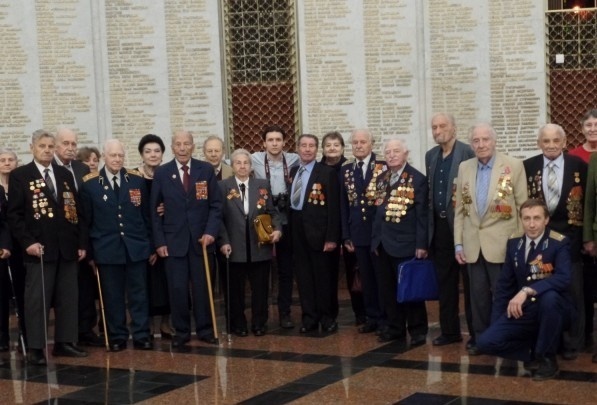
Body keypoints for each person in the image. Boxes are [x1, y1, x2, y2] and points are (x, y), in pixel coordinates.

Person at [7, 129, 88, 365]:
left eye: (50, 146)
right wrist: (28, 242)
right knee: (37, 300)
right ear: (32, 147)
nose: (47, 150)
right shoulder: (21, 175)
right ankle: (35, 347)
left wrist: (81, 243)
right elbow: (15, 215)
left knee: (68, 297)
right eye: (42, 146)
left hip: (67, 247)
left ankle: (65, 342)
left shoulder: (63, 174)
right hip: (39, 249)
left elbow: (76, 210)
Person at [476, 199, 573, 381]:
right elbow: (504, 286)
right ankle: (532, 352)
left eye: (537, 218)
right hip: (524, 311)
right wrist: (497, 323)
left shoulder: (558, 243)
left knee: (550, 298)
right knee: (485, 342)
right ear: (521, 219)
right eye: (527, 218)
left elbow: (563, 278)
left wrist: (527, 290)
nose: (532, 224)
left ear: (546, 220)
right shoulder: (514, 244)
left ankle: (548, 359)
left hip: (553, 310)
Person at [453, 122, 528, 355]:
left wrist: (520, 245)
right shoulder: (465, 167)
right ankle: (481, 339)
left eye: (485, 139)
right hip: (473, 246)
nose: (481, 144)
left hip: (504, 245)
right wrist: (458, 243)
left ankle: (506, 338)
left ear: (494, 141)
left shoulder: (513, 166)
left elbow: (522, 207)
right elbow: (460, 210)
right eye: (476, 140)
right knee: (478, 299)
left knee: (504, 295)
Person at [151, 130, 222, 348]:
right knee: (178, 289)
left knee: (202, 288)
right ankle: (181, 331)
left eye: (187, 144)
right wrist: (160, 242)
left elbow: (216, 205)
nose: (182, 148)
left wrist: (211, 232)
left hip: (201, 241)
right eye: (178, 144)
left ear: (193, 146)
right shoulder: (162, 173)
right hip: (173, 243)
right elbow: (154, 210)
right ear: (172, 148)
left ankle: (205, 329)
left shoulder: (205, 170)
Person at [80, 139, 154, 351]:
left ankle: (141, 334)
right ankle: (117, 335)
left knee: (139, 295)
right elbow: (87, 221)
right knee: (112, 297)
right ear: (104, 156)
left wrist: (149, 245)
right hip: (107, 249)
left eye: (120, 155)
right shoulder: (90, 183)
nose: (117, 159)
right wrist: (91, 253)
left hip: (136, 247)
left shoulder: (136, 180)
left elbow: (145, 216)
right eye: (113, 155)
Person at [524, 123, 587, 361]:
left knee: (572, 292)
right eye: (546, 141)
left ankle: (572, 343)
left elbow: (586, 203)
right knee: (542, 293)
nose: (551, 145)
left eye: (555, 141)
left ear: (564, 142)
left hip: (570, 240)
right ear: (539, 143)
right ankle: (548, 340)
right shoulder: (528, 166)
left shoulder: (579, 166)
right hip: (540, 241)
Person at [218, 149, 281, 336]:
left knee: (260, 289)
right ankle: (238, 324)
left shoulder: (262, 185)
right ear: (232, 166)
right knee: (234, 291)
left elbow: (273, 212)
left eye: (246, 162)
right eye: (238, 163)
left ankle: (259, 323)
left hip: (259, 246)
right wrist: (223, 241)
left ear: (251, 166)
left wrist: (278, 229)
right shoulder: (223, 186)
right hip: (233, 247)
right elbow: (218, 217)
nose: (242, 166)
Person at [371, 138, 429, 345]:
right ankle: (395, 327)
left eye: (396, 151)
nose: (392, 155)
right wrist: (375, 242)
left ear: (406, 154)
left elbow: (423, 216)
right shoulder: (381, 179)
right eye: (388, 152)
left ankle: (418, 330)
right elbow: (377, 212)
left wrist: (422, 244)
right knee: (388, 290)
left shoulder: (417, 179)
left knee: (410, 289)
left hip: (406, 244)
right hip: (383, 245)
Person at [425, 114, 476, 348]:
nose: (438, 130)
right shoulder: (431, 155)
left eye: (443, 126)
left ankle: (476, 334)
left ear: (454, 128)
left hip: (464, 228)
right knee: (445, 283)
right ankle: (449, 331)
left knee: (471, 284)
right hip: (440, 228)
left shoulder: (467, 152)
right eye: (434, 127)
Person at [54, 127, 103, 348]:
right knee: (64, 290)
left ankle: (86, 329)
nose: (71, 148)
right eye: (66, 143)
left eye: (74, 144)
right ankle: (67, 335)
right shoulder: (47, 168)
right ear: (55, 145)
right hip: (57, 241)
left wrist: (84, 242)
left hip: (82, 237)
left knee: (85, 287)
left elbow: (86, 207)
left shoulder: (82, 168)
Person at [289, 134, 340, 333]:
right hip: (297, 230)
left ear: (317, 149)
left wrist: (331, 237)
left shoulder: (326, 172)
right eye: (304, 145)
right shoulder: (294, 171)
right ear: (298, 148)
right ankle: (309, 318)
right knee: (304, 278)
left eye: (311, 146)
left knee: (323, 278)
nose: (307, 149)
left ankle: (328, 318)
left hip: (320, 233)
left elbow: (334, 208)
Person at [251, 125, 299, 329]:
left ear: (284, 143)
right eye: (270, 140)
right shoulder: (254, 159)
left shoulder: (294, 159)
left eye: (278, 140)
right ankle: (260, 316)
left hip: (287, 216)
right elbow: (227, 164)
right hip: (264, 216)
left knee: (286, 269)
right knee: (261, 268)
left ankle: (285, 312)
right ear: (263, 143)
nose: (274, 143)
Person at [340, 129, 385, 332]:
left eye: (363, 142)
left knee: (381, 277)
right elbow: (343, 205)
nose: (358, 145)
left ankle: (386, 318)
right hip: (358, 233)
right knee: (365, 277)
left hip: (379, 234)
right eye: (355, 142)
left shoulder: (383, 167)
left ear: (371, 144)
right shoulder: (346, 169)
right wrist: (346, 235)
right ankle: (372, 317)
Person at [320, 131, 361, 324]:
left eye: (336, 145)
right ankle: (329, 314)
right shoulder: (317, 169)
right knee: (327, 275)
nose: (332, 148)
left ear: (343, 148)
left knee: (356, 272)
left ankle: (361, 313)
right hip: (326, 230)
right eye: (328, 145)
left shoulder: (350, 168)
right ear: (323, 148)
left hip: (349, 229)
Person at [136, 134, 173, 339]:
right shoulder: (133, 178)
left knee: (167, 282)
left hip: (167, 238)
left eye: (157, 151)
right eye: (148, 151)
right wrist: (150, 245)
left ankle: (166, 323)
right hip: (143, 239)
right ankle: (147, 323)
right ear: (141, 154)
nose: (153, 155)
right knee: (146, 284)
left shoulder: (168, 175)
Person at [568, 109, 597, 350]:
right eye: (588, 125)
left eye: (596, 125)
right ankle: (586, 331)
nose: (592, 129)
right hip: (582, 227)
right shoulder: (574, 156)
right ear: (582, 129)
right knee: (586, 285)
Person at [0, 150, 24, 352]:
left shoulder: (21, 184)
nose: (7, 163)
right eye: (2, 160)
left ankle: (26, 332)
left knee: (21, 290)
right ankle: (2, 336)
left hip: (20, 246)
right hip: (3, 248)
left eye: (10, 160)